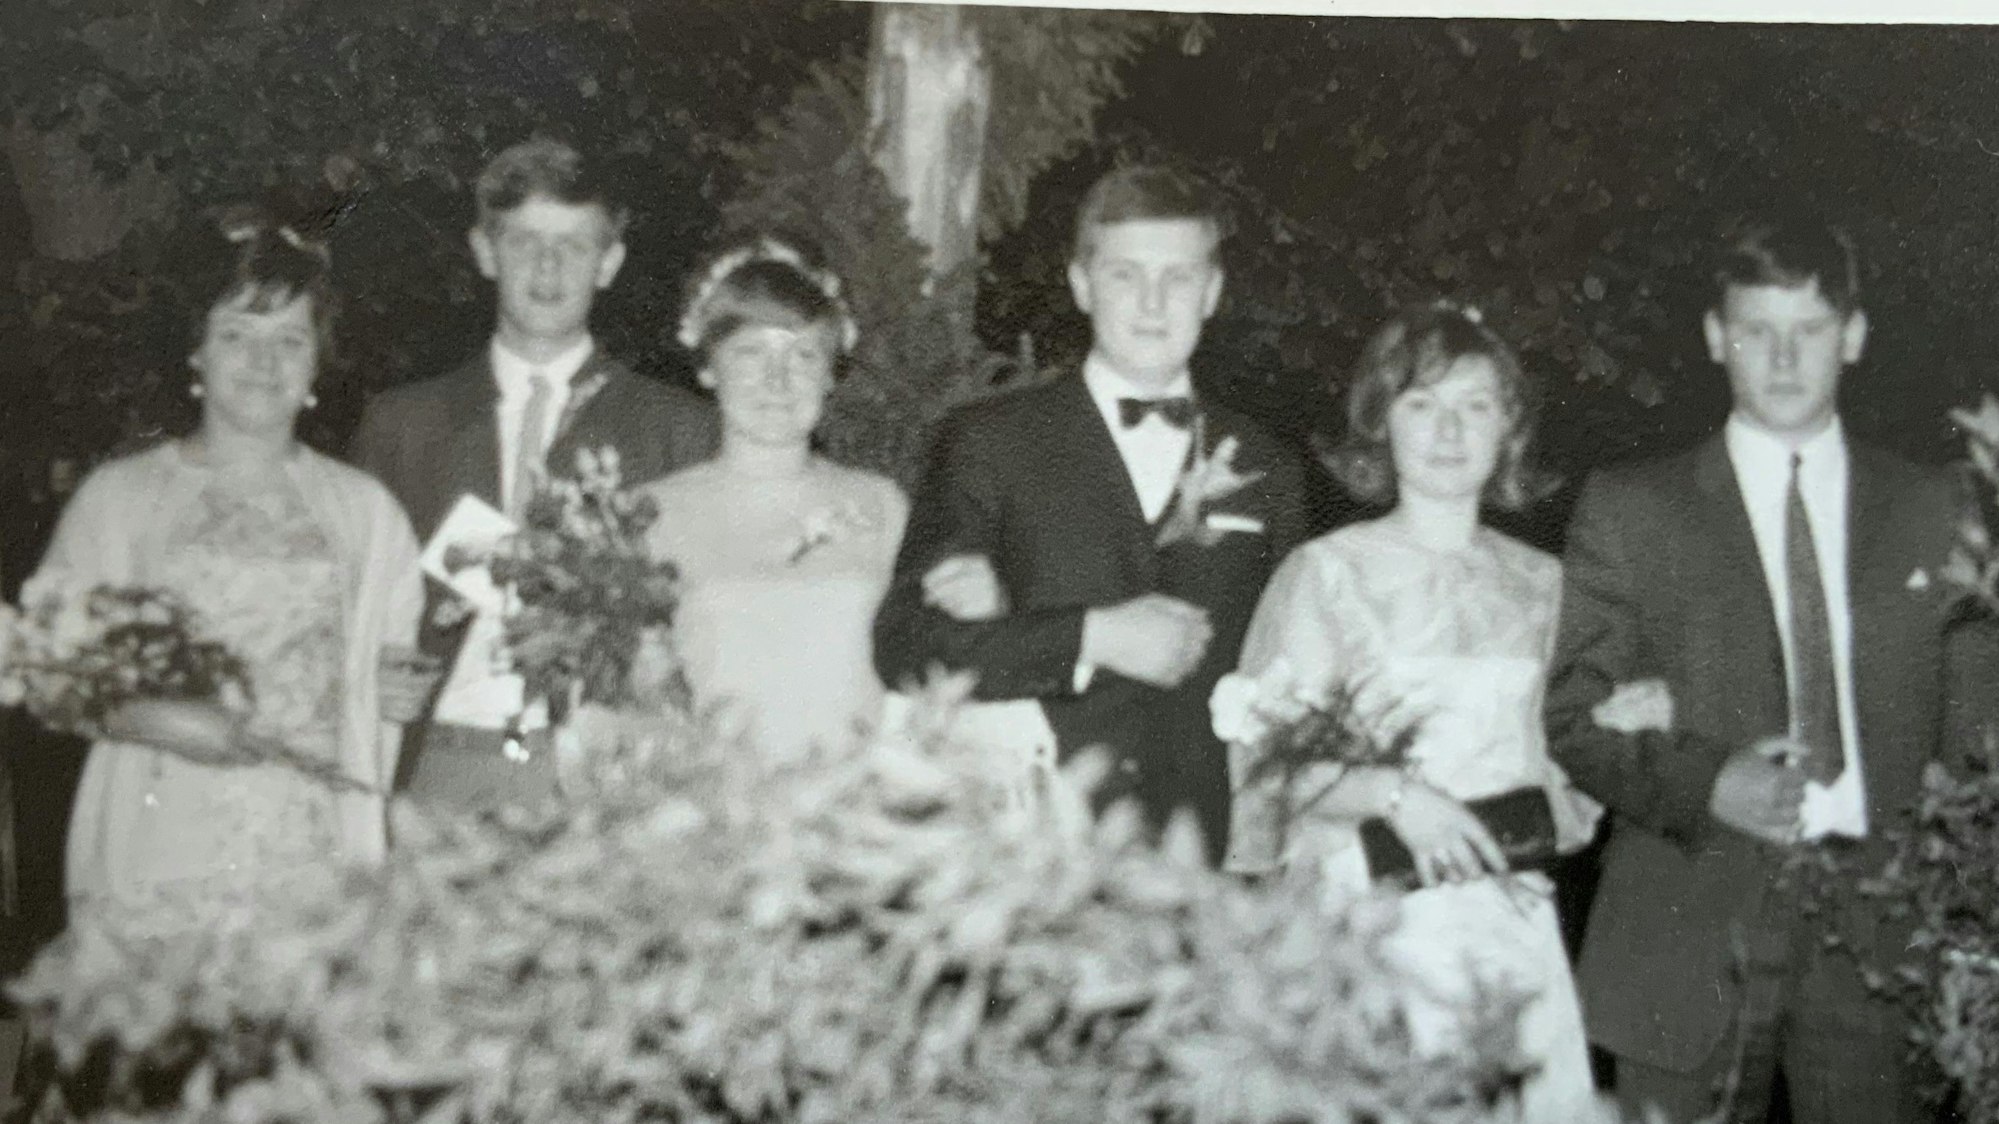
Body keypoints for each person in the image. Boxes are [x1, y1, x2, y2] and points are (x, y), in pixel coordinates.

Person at [1545, 218, 1998, 1123]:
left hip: (1880, 940)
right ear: (1716, 337)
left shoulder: (1937, 507)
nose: (1783, 361)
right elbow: (1573, 720)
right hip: (1687, 922)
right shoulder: (1634, 509)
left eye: (1809, 331)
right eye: (1755, 331)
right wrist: (1711, 779)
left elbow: (1975, 736)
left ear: (1855, 336)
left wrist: (1962, 924)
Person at [1212, 301, 1597, 1118]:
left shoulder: (1545, 584)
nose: (1448, 431)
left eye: (1473, 406)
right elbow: (1274, 763)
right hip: (1374, 924)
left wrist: (1615, 731)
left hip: (1507, 925)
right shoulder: (1326, 573)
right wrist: (1398, 799)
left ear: (1508, 430)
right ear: (1380, 421)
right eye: (1421, 404)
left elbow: (1564, 774)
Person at [874, 164, 1308, 866]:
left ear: (1213, 292)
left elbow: (1292, 682)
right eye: (1125, 275)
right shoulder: (988, 441)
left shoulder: (1268, 467)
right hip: (1028, 855)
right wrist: (1086, 638)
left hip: (1202, 867)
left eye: (1178, 278)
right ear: (1080, 284)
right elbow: (906, 645)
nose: (1152, 302)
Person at [31, 209, 424, 928]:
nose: (263, 362)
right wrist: (152, 717)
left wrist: (394, 688)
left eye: (289, 340)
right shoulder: (119, 500)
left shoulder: (367, 513)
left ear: (315, 364)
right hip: (160, 848)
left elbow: (384, 680)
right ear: (197, 354)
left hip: (311, 863)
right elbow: (45, 674)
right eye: (237, 334)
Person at [349, 138, 718, 809]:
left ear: (609, 264)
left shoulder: (679, 432)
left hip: (602, 780)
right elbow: (345, 605)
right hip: (442, 766)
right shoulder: (404, 426)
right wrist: (366, 672)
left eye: (574, 246)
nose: (548, 267)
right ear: (485, 252)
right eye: (524, 242)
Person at [639, 238, 909, 756]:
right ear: (707, 367)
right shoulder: (647, 515)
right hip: (709, 812)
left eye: (804, 355)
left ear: (831, 375)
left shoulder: (882, 506)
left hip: (855, 807)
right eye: (749, 352)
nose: (777, 380)